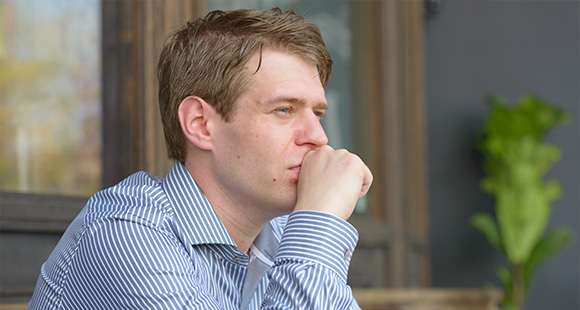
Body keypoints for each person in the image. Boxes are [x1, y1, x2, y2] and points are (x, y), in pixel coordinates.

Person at [29, 7, 372, 310]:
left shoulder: (281, 235)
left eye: (318, 114)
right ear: (200, 124)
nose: (319, 138)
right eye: (284, 109)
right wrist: (319, 218)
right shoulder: (126, 233)